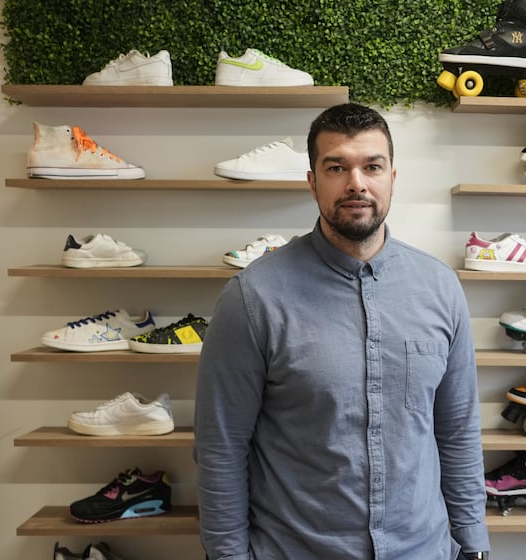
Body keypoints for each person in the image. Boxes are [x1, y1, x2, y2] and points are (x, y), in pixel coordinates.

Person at [194, 102, 490, 560]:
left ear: (393, 177)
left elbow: (457, 430)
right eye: (337, 167)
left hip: (424, 549)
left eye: (372, 166)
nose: (357, 183)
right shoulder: (253, 297)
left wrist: (473, 543)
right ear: (312, 181)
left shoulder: (440, 287)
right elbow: (221, 447)